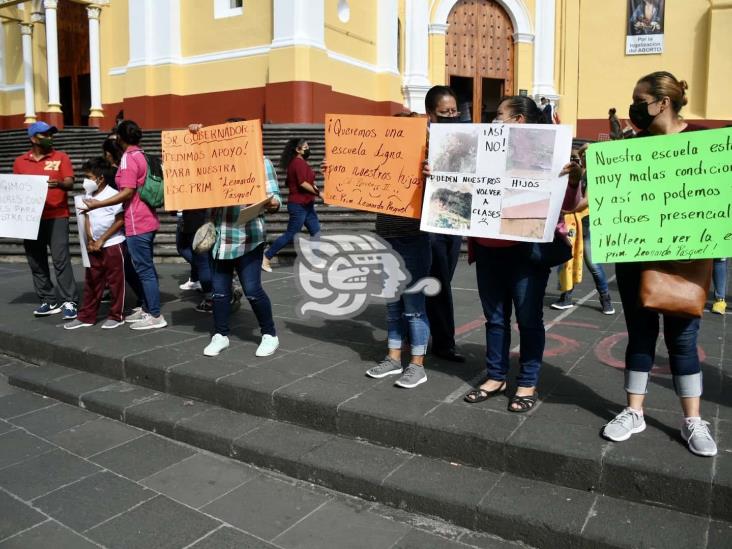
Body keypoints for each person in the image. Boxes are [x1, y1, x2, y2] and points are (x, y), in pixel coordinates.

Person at [601, 71, 717, 457]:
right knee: (640, 335)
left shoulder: (704, 142)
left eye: (639, 98)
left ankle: (692, 420)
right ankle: (634, 412)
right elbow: (610, 199)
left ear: (662, 102)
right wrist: (591, 176)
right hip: (637, 257)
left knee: (683, 340)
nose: (634, 106)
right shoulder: (633, 145)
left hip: (685, 262)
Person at [463, 95, 580, 412]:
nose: (493, 118)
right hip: (488, 248)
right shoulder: (481, 147)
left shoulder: (550, 152)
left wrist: (574, 181)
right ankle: (496, 376)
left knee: (528, 320)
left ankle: (527, 381)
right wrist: (441, 176)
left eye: (499, 114)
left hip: (526, 252)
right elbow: (464, 183)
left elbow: (568, 206)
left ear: (518, 120)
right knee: (495, 319)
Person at [202, 124, 283, 358]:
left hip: (249, 238)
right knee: (219, 293)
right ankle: (220, 335)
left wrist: (270, 203)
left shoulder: (261, 162)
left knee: (253, 290)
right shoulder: (215, 162)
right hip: (220, 237)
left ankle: (269, 334)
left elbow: (276, 198)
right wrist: (195, 135)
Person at [364, 111, 432, 389]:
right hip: (386, 241)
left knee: (414, 308)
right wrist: (337, 174)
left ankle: (417, 365)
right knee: (393, 306)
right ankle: (393, 358)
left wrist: (432, 176)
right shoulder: (381, 163)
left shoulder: (428, 164)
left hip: (413, 241)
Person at [83, 120, 166, 330]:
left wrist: (98, 204)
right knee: (143, 267)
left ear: (120, 138)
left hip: (137, 221)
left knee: (144, 270)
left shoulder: (129, 158)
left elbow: (127, 191)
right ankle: (148, 308)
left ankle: (155, 314)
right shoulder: (143, 155)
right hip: (147, 218)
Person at [13, 121, 79, 319]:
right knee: (36, 260)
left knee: (61, 259)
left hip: (57, 216)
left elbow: (70, 181)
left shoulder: (61, 157)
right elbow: (16, 187)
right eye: (45, 135)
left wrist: (58, 183)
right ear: (33, 138)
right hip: (30, 218)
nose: (50, 138)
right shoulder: (20, 162)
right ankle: (48, 300)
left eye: (51, 134)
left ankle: (70, 301)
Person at [424, 85, 465, 363]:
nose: (451, 116)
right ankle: (444, 342)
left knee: (443, 279)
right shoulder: (417, 141)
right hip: (429, 221)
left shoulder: (464, 140)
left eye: (454, 111)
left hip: (456, 218)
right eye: (444, 112)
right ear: (431, 114)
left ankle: (428, 330)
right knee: (438, 282)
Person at [551, 145, 615, 315]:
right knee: (567, 261)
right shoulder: (577, 171)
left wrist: (566, 209)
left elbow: (586, 201)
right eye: (584, 154)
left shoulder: (596, 175)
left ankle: (605, 298)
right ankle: (566, 297)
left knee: (593, 264)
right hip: (569, 223)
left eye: (589, 154)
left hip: (585, 223)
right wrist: (579, 151)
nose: (586, 156)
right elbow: (573, 155)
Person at [65, 158, 126, 330]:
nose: (85, 181)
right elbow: (86, 218)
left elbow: (120, 220)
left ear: (100, 178)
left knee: (116, 282)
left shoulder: (114, 195)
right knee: (92, 281)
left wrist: (102, 239)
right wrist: (91, 239)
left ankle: (116, 315)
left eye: (88, 176)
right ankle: (86, 316)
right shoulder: (88, 196)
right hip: (94, 246)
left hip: (113, 244)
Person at [261, 138, 321, 272]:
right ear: (297, 149)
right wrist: (319, 193)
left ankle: (315, 261)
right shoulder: (297, 163)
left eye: (307, 146)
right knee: (291, 234)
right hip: (299, 205)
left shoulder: (300, 163)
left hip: (307, 204)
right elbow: (302, 183)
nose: (308, 148)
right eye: (305, 147)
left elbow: (306, 181)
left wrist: (316, 190)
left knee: (316, 231)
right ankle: (266, 257)